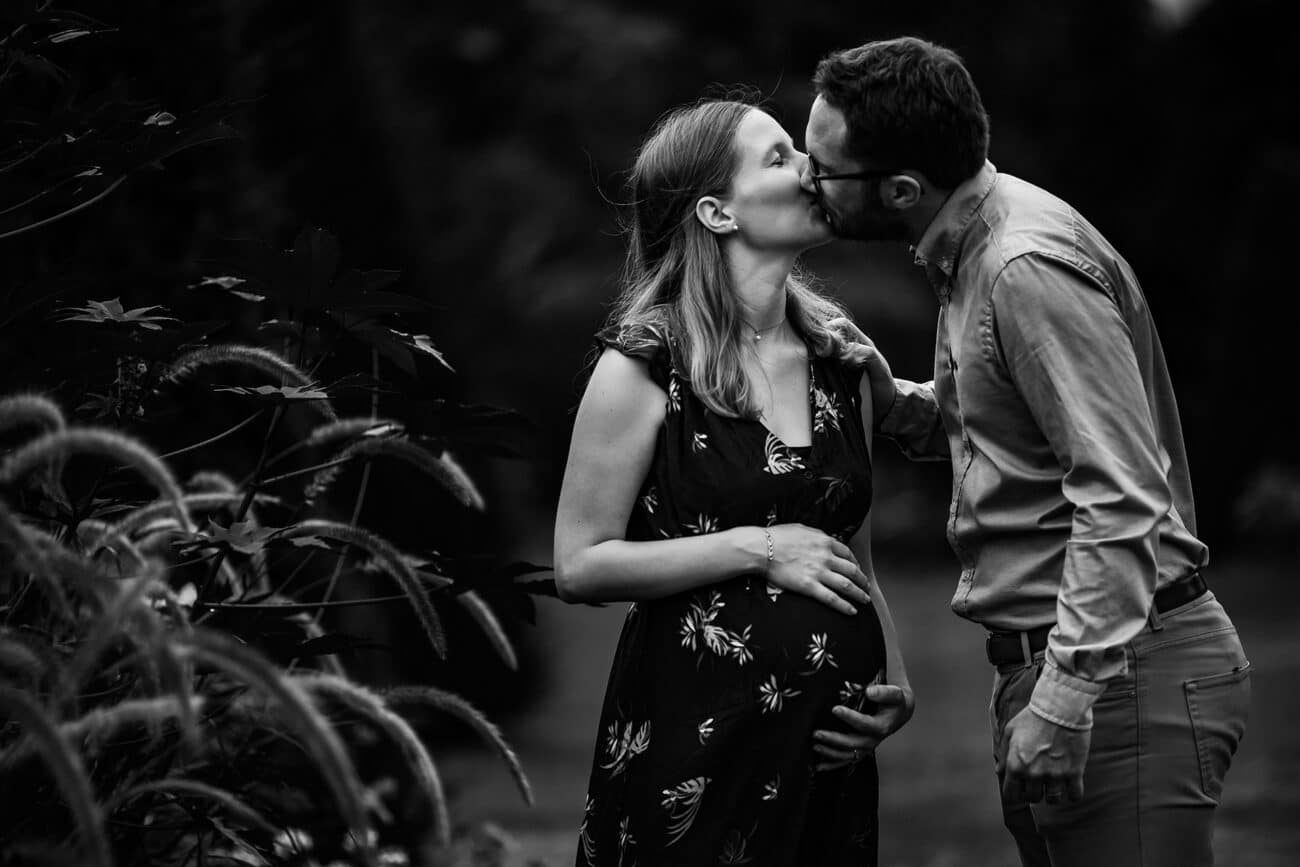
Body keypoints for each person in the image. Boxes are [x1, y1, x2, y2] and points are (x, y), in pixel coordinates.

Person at [800, 36, 1251, 867]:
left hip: (1120, 670)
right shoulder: (973, 247)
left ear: (901, 189)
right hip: (1076, 660)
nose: (804, 180)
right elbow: (1014, 435)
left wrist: (1068, 695)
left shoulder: (1022, 268)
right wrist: (886, 396)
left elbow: (1120, 493)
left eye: (820, 168)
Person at [554, 98, 914, 866]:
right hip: (692, 750)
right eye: (780, 157)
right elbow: (579, 565)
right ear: (716, 212)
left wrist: (896, 683)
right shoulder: (645, 366)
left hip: (826, 761)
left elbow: (855, 557)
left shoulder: (839, 361)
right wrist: (756, 547)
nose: (810, 169)